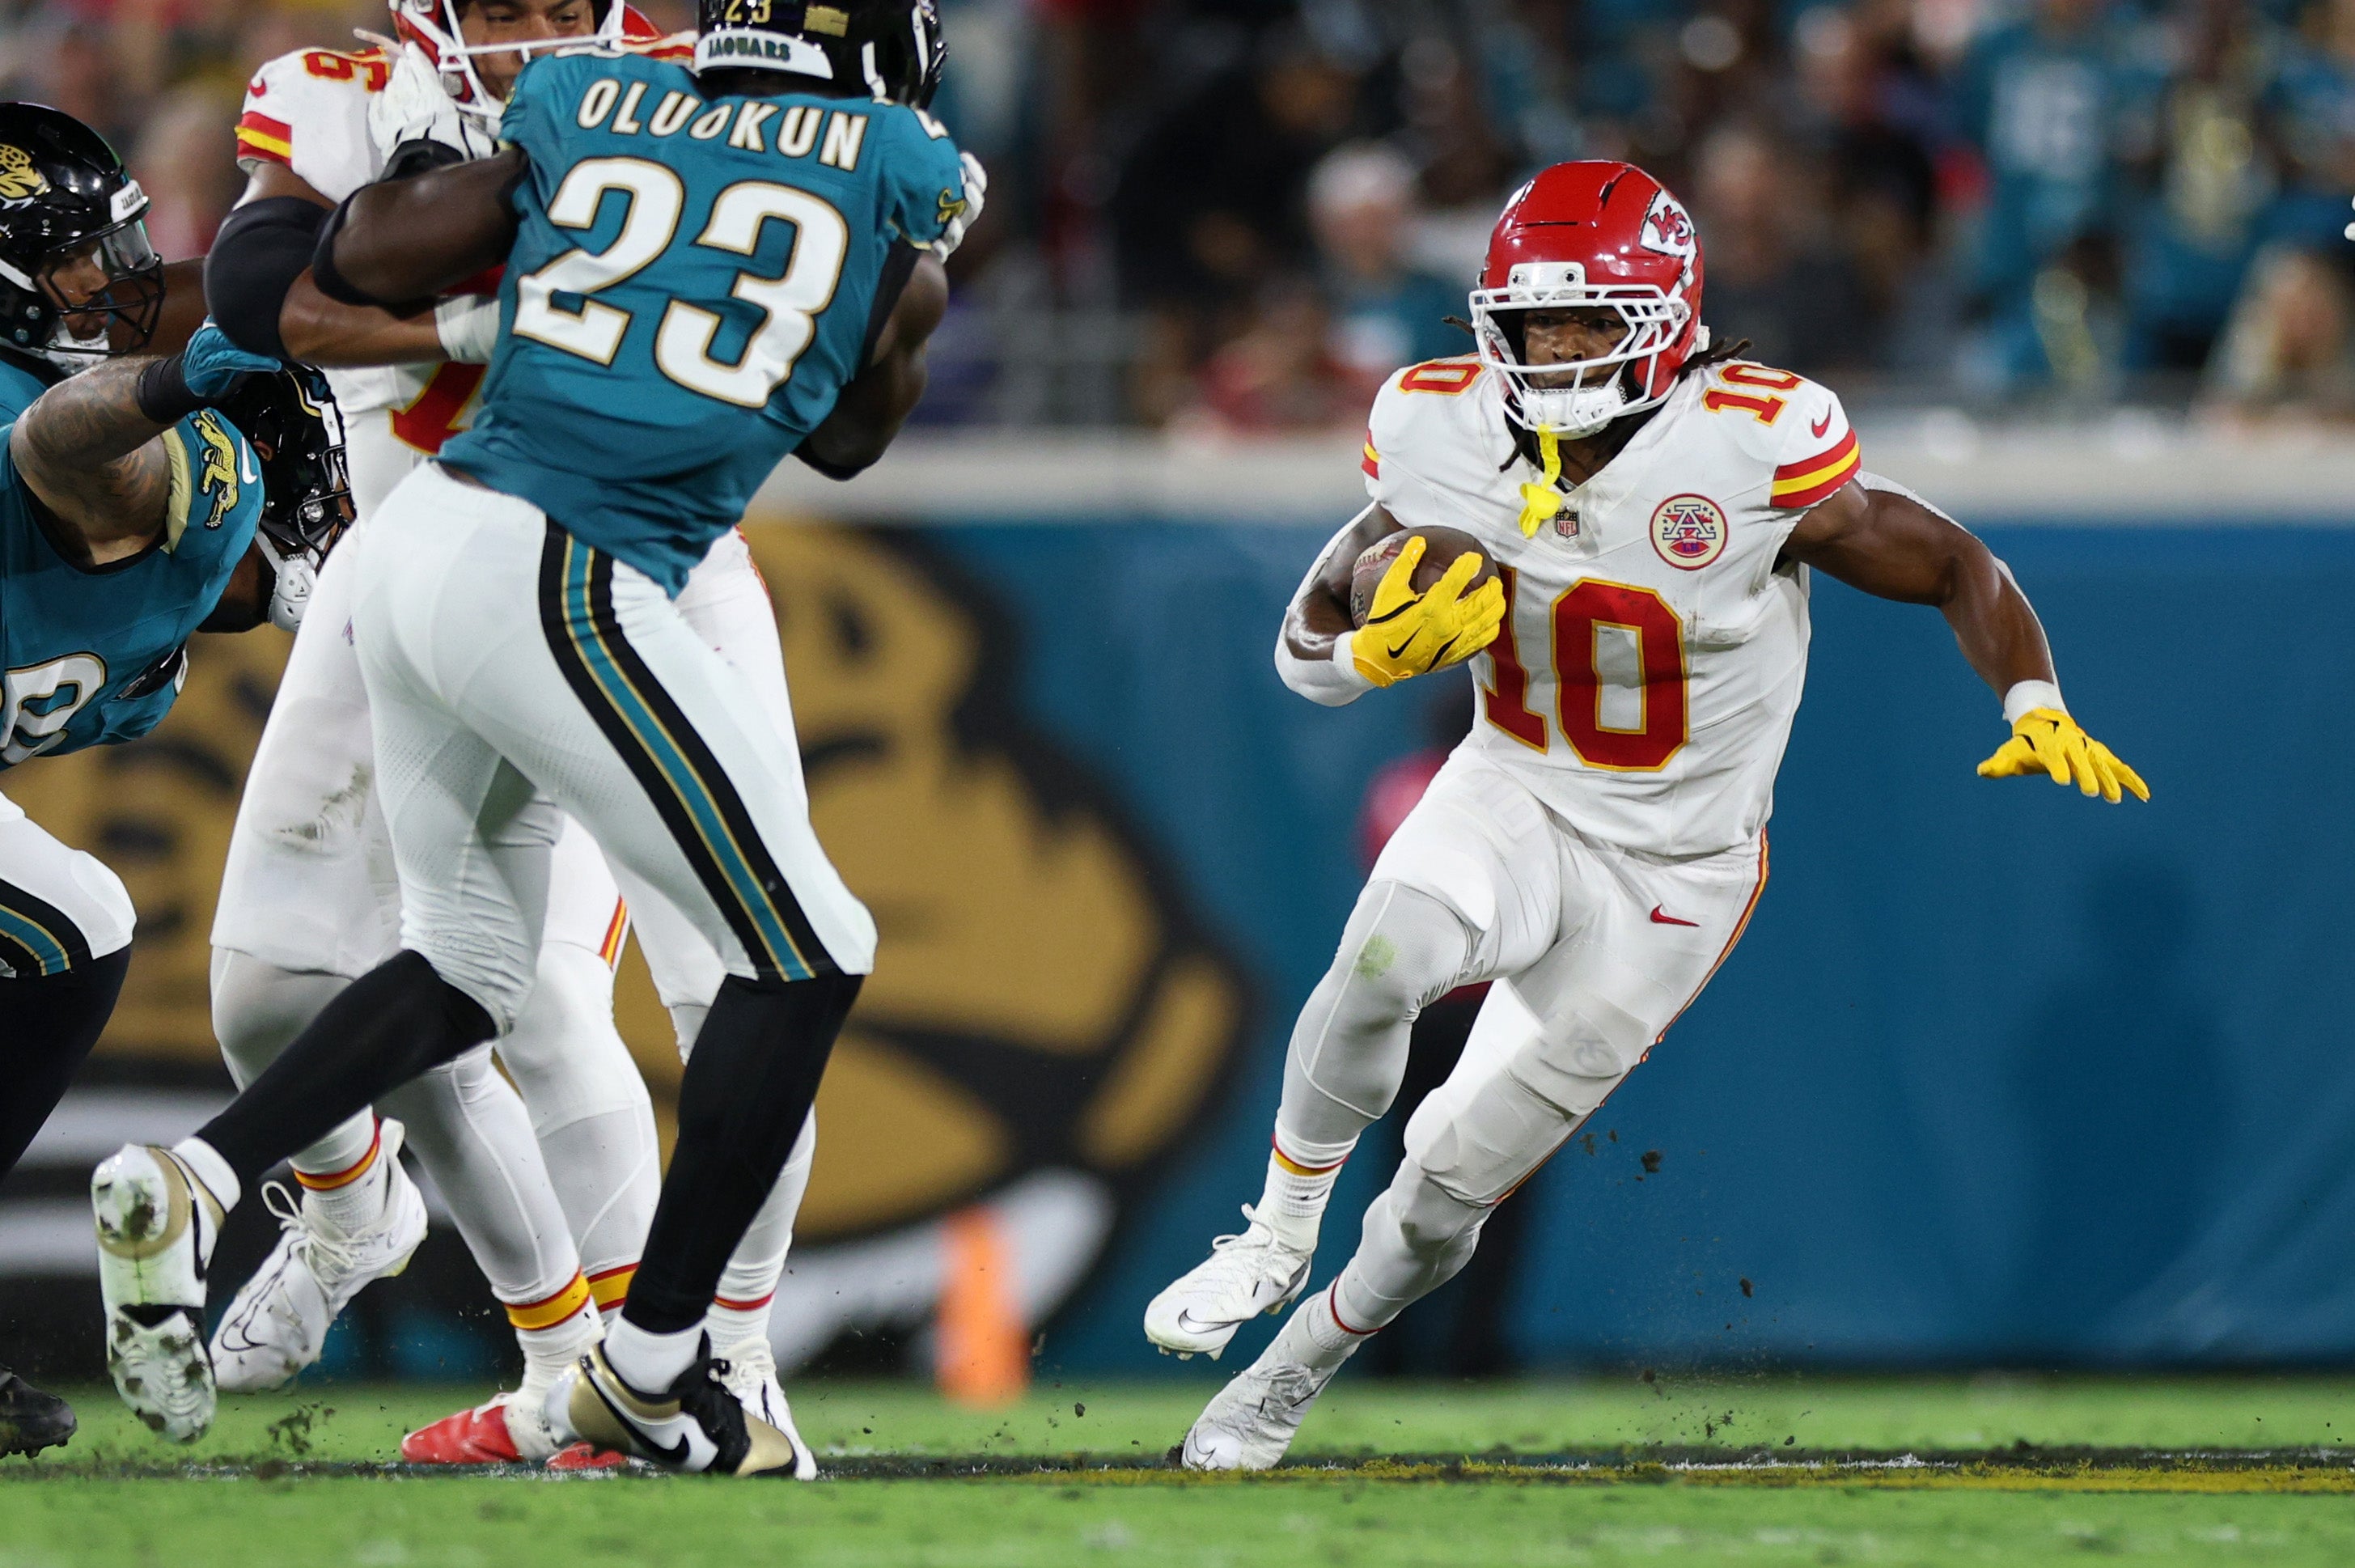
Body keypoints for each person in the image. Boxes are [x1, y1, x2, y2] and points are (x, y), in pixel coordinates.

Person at [1142, 160, 2148, 1469]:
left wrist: (2030, 696)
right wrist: (1362, 662)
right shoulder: (1438, 424)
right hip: (1518, 783)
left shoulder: (1753, 440)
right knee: (1384, 949)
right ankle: (1274, 1229)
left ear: (1664, 314)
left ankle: (1289, 1375)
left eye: (1584, 323)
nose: (1553, 351)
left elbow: (1951, 555)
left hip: (1679, 866)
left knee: (1447, 1187)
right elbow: (1311, 625)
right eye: (1530, 325)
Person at [92, 0, 976, 1477]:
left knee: (531, 980)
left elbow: (334, 274)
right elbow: (261, 290)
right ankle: (609, 1360)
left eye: (562, 4)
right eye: (508, 3)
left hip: (561, 551)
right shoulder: (728, 118)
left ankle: (689, 1365)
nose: (541, 25)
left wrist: (485, 262)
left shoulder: (616, 97)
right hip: (534, 550)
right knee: (273, 980)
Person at [0, 102, 345, 1456]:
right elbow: (68, 452)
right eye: (83, 252)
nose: (114, 270)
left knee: (71, 921)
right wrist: (208, 381)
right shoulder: (139, 469)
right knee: (74, 925)